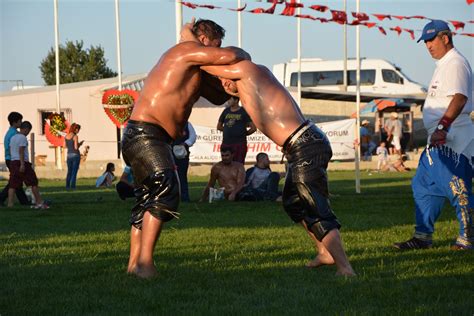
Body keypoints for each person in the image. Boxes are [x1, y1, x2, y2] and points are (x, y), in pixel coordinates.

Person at [201, 54, 355, 276]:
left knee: (314, 206)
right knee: (292, 203)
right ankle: (325, 251)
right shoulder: (249, 93)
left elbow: (210, 63)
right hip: (298, 148)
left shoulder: (253, 70)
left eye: (226, 77)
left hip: (306, 144)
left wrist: (188, 45)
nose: (225, 84)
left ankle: (345, 268)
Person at [121, 18, 248, 278]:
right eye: (215, 44)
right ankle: (145, 264)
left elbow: (219, 96)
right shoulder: (183, 51)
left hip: (145, 135)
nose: (217, 51)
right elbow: (232, 55)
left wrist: (226, 81)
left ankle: (134, 264)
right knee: (167, 190)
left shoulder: (195, 67)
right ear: (204, 41)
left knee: (147, 198)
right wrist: (196, 41)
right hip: (147, 134)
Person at [394, 20, 473, 251]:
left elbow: (459, 98)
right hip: (439, 137)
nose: (428, 45)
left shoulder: (455, 63)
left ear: (445, 38)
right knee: (423, 186)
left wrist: (442, 127)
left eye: (431, 39)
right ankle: (423, 236)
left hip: (452, 136)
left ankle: (468, 237)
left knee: (457, 187)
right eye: (425, 41)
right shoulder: (444, 64)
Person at [7, 121, 49, 209]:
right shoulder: (22, 138)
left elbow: (10, 150)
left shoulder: (13, 137)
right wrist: (22, 164)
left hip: (13, 162)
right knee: (33, 182)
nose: (28, 133)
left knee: (12, 184)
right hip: (22, 162)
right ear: (26, 129)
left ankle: (10, 204)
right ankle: (39, 202)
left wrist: (12, 161)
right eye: (28, 131)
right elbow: (21, 151)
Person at [0, 112, 29, 206]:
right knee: (15, 182)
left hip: (10, 158)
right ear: (15, 122)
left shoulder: (10, 132)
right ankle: (2, 198)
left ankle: (23, 201)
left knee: (16, 181)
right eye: (20, 121)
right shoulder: (14, 134)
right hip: (13, 159)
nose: (21, 122)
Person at [217, 96, 256, 164]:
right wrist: (229, 130)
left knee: (238, 164)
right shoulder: (226, 111)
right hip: (226, 143)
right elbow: (219, 127)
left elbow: (253, 128)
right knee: (226, 164)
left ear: (236, 100)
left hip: (239, 144)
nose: (228, 101)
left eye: (230, 99)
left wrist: (242, 133)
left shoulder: (243, 111)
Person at [172, 122, 196, 202]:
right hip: (168, 152)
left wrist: (186, 143)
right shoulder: (167, 122)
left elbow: (193, 137)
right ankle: (171, 198)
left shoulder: (187, 124)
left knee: (182, 175)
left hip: (182, 153)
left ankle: (184, 197)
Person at [64, 123, 84, 190]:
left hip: (68, 155)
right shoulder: (75, 136)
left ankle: (67, 186)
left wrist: (70, 146)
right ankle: (73, 187)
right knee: (74, 172)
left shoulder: (66, 136)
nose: (78, 131)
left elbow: (64, 146)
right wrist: (80, 144)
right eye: (78, 129)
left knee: (69, 171)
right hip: (75, 155)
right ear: (75, 129)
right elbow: (76, 147)